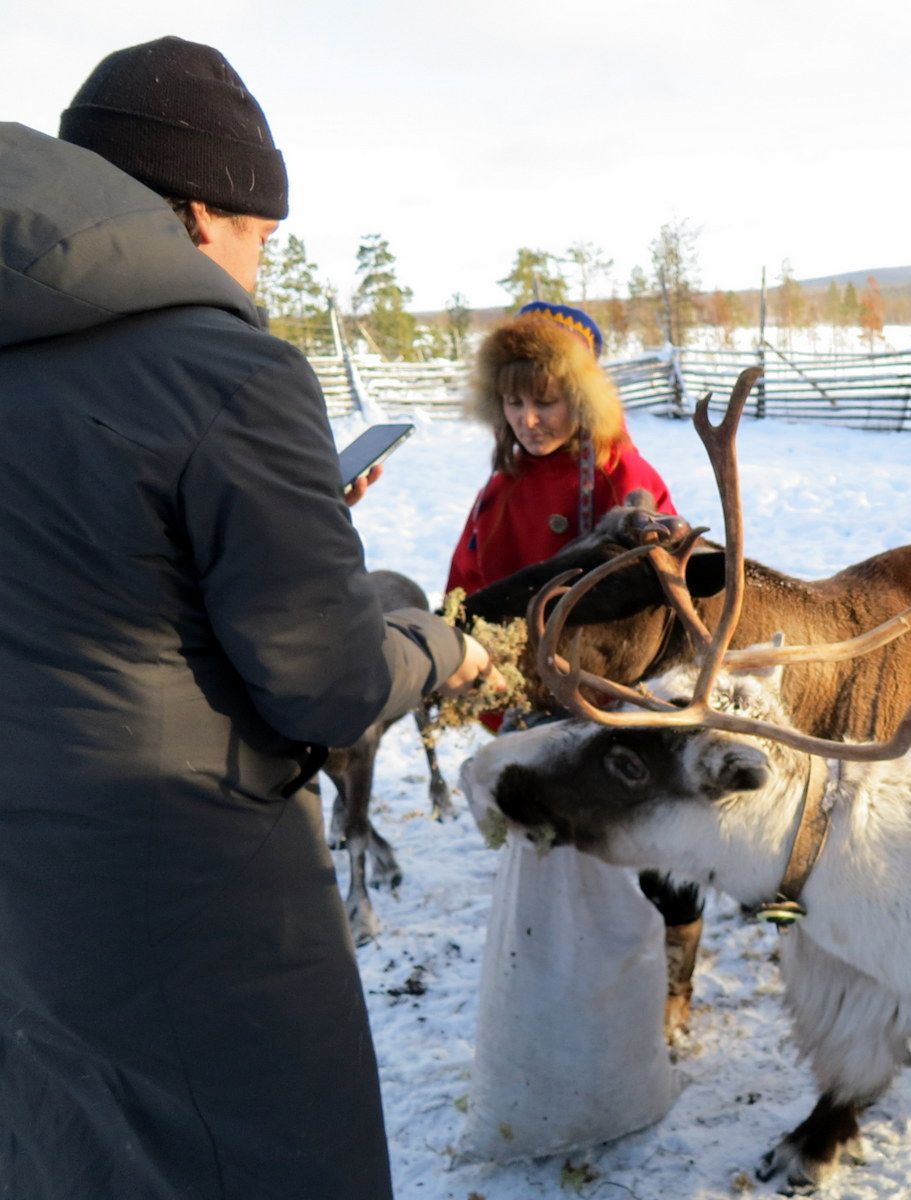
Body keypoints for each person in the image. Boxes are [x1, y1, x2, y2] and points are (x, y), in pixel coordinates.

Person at [0, 38, 500, 1200]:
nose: (259, 275)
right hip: (190, 894)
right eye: (259, 239)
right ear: (191, 211)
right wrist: (443, 644)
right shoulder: (230, 372)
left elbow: (80, 543)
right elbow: (323, 681)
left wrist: (281, 503)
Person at [447, 301, 704, 1031]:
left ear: (581, 398)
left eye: (548, 401)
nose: (531, 419)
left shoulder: (625, 472)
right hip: (535, 692)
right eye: (515, 401)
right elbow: (472, 580)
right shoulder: (502, 486)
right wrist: (465, 649)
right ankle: (594, 969)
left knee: (653, 839)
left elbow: (669, 580)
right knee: (568, 835)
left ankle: (675, 978)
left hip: (617, 689)